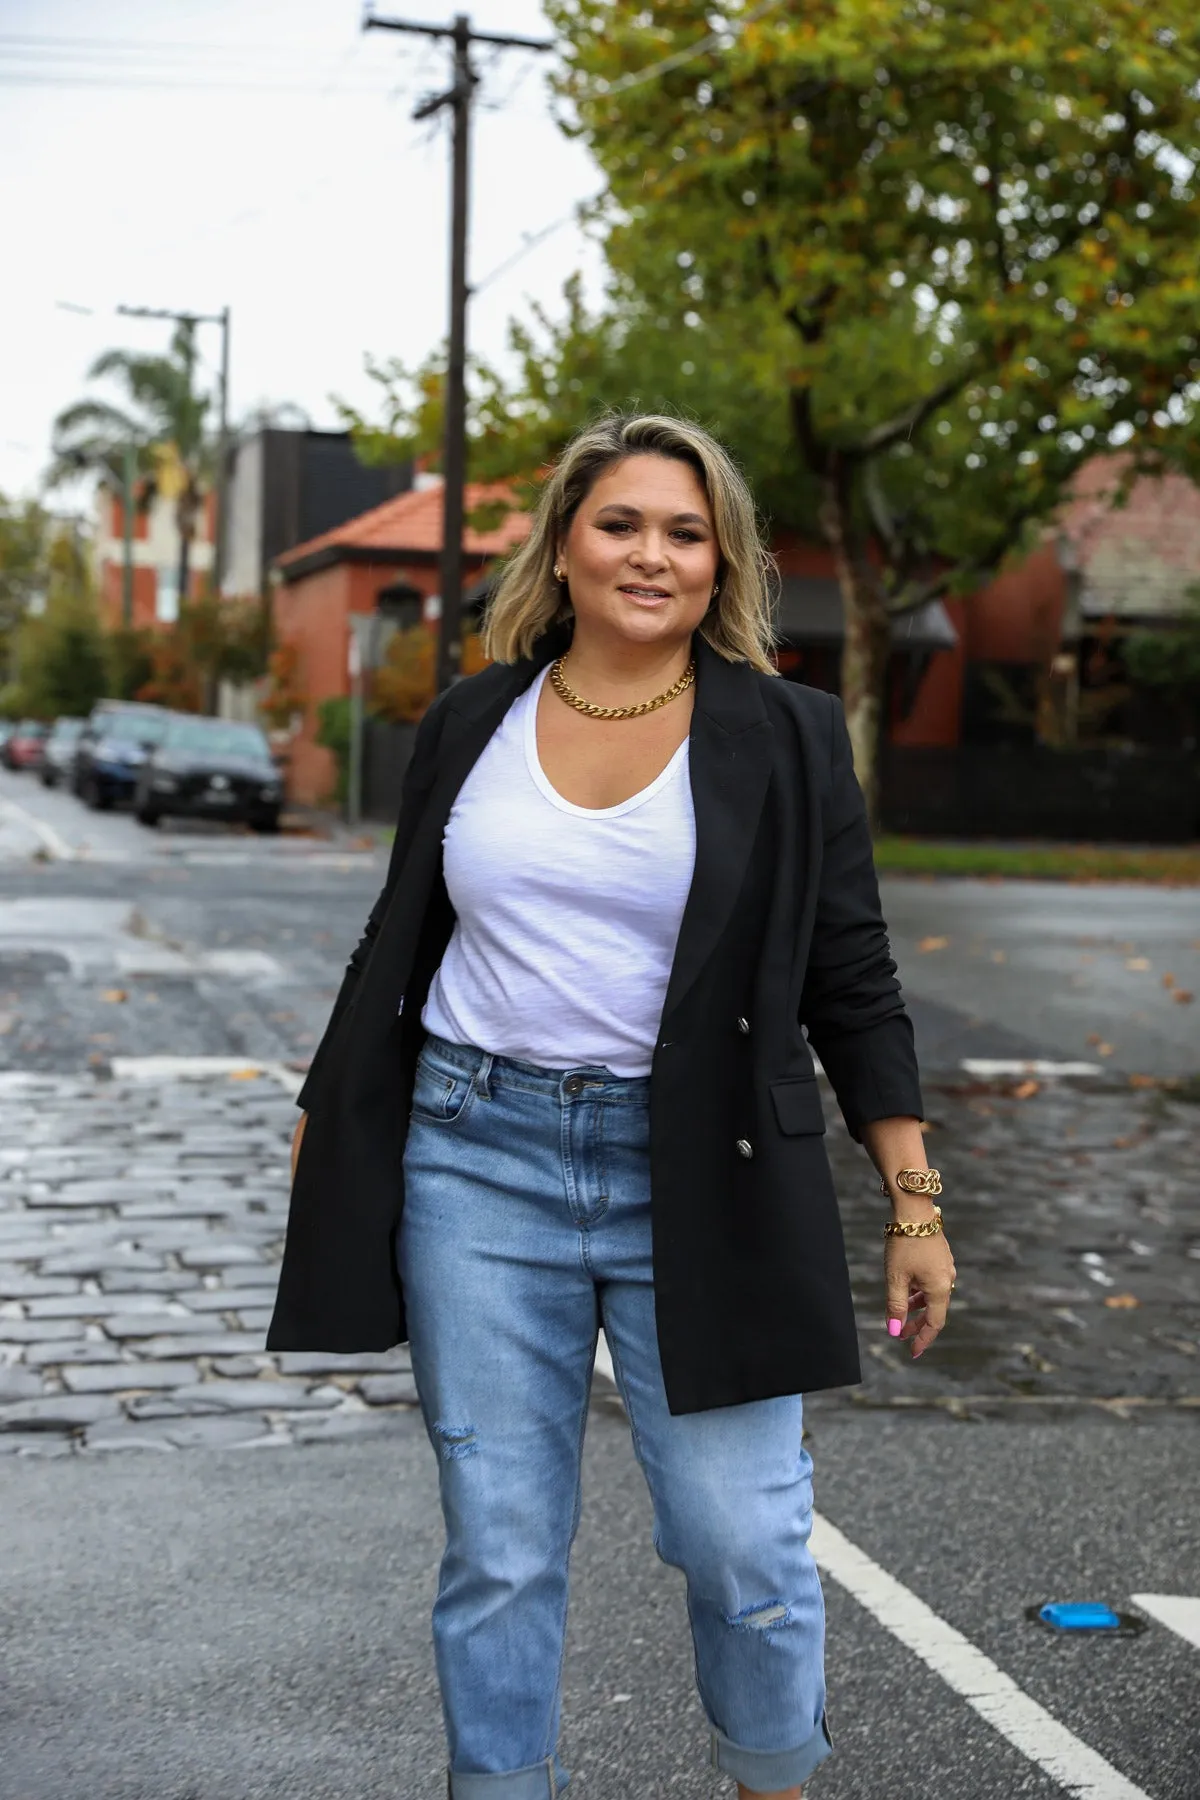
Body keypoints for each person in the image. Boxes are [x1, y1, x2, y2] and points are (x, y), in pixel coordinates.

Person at [268, 412, 956, 1799]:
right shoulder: (473, 718)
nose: (654, 554)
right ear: (566, 548)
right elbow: (400, 933)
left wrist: (914, 1197)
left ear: (723, 563)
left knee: (740, 1539)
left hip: (703, 1169)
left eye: (686, 532)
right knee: (502, 1546)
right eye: (622, 524)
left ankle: (771, 1779)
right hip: (475, 1158)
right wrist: (328, 1119)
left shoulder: (790, 734)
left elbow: (852, 971)